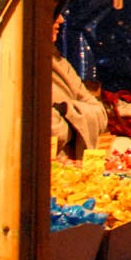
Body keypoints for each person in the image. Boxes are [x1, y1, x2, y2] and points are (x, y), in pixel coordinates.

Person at [50, 12, 107, 160]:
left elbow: (100, 113)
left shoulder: (58, 62)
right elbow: (49, 130)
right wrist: (80, 124)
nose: (61, 20)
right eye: (53, 12)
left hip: (71, 170)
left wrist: (67, 112)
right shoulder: (17, 67)